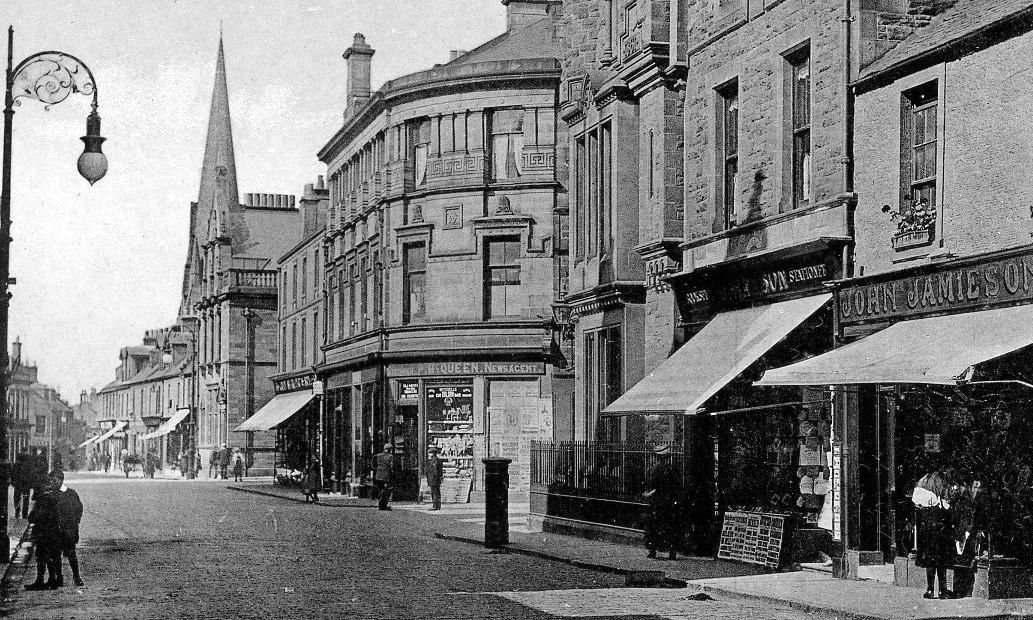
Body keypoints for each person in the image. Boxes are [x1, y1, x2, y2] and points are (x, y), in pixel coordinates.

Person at [913, 468, 955, 599]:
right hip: (939, 527)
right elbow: (946, 504)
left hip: (927, 528)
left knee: (930, 560)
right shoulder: (939, 481)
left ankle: (930, 589)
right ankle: (943, 590)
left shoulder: (923, 481)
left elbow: (917, 505)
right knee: (941, 560)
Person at [643, 444, 684, 560]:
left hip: (657, 502)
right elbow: (678, 486)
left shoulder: (654, 469)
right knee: (670, 527)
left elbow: (651, 485)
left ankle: (653, 551)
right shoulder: (673, 469)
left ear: (657, 457)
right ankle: (672, 551)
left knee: (654, 527)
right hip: (670, 503)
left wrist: (649, 494)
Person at [24, 474, 60, 590]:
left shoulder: (42, 500)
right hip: (53, 532)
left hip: (42, 533)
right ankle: (52, 579)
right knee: (50, 556)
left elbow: (34, 517)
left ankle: (40, 580)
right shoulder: (53, 498)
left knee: (41, 556)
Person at [49, 469, 84, 587]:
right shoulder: (50, 494)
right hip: (55, 529)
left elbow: (79, 509)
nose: (52, 483)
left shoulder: (71, 493)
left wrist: (75, 523)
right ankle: (59, 577)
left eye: (54, 481)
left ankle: (76, 576)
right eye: (51, 481)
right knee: (55, 554)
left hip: (69, 529)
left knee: (71, 553)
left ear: (61, 480)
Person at [372, 444, 395, 511]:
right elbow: (391, 466)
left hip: (378, 476)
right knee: (386, 490)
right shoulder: (390, 456)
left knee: (380, 490)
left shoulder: (378, 456)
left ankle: (380, 505)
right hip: (386, 476)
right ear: (390, 449)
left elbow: (373, 465)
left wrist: (378, 468)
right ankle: (384, 505)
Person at [12, 450, 32, 519]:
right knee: (26, 499)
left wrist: (13, 482)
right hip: (26, 484)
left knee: (17, 498)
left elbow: (13, 474)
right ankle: (25, 514)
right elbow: (31, 474)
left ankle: (17, 511)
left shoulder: (16, 464)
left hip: (18, 484)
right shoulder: (29, 465)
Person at [426, 446, 444, 511]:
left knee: (434, 492)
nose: (429, 454)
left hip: (434, 479)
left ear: (433, 453)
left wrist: (434, 478)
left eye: (430, 453)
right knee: (436, 492)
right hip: (435, 479)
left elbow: (435, 470)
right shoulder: (436, 460)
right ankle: (437, 505)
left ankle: (435, 505)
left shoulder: (434, 461)